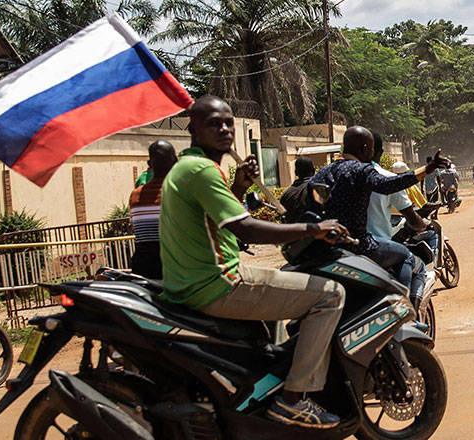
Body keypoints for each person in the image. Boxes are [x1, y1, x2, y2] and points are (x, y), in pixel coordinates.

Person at [158, 96, 350, 428]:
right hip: (219, 283)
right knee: (330, 294)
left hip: (196, 281)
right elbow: (244, 227)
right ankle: (293, 399)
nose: (223, 129)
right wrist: (314, 229)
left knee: (280, 294)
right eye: (213, 123)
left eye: (227, 122)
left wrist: (238, 186)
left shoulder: (190, 167)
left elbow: (211, 221)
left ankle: (268, 386)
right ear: (193, 128)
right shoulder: (202, 170)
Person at [310, 126, 449, 305]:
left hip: (329, 247)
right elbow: (389, 185)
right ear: (366, 149)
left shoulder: (323, 173)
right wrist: (428, 169)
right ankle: (404, 307)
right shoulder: (361, 170)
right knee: (407, 257)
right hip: (362, 245)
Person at [366, 134, 436, 301]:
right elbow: (417, 211)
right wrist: (423, 223)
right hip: (378, 243)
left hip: (346, 247)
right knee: (411, 260)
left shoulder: (335, 176)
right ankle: (408, 306)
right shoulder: (389, 179)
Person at [128, 140, 176, 279]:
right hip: (174, 271)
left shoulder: (135, 195)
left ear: (150, 164)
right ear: (174, 162)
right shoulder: (179, 193)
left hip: (142, 269)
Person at [280, 156, 317, 222]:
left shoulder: (286, 194)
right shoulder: (317, 190)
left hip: (292, 231)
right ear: (314, 171)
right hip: (314, 230)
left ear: (296, 173)